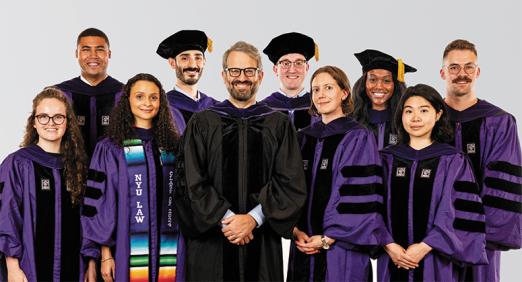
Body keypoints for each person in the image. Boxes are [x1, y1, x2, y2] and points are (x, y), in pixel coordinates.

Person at [175, 41, 307, 281]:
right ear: (224, 76)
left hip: (262, 241)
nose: (242, 78)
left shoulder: (277, 124)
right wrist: (227, 219)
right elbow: (190, 180)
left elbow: (290, 180)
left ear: (261, 75)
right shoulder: (203, 122)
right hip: (213, 243)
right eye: (235, 71)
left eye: (249, 71)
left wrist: (253, 219)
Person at [287, 66, 388, 281]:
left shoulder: (358, 137)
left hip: (342, 249)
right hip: (302, 244)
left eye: (328, 88)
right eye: (315, 90)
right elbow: (290, 188)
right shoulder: (303, 138)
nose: (321, 95)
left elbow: (361, 197)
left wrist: (328, 238)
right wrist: (295, 229)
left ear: (344, 93)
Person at [378, 84, 488, 281]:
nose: (415, 118)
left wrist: (425, 246)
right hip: (392, 259)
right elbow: (371, 209)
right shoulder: (385, 159)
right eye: (408, 111)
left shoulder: (453, 161)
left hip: (436, 262)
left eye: (424, 110)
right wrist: (389, 245)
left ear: (438, 115)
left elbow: (457, 211)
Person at [80, 73, 180, 282]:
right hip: (125, 249)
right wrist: (106, 255)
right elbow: (101, 203)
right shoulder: (111, 148)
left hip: (170, 248)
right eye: (140, 96)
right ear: (127, 101)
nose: (147, 103)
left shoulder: (171, 147)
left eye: (154, 97)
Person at [440, 39, 522, 282]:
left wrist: (477, 234)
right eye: (454, 67)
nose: (461, 74)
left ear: (478, 72)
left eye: (468, 67)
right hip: (433, 237)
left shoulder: (499, 122)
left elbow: (502, 184)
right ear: (443, 72)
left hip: (482, 240)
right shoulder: (427, 118)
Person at [0, 87, 90, 281]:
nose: (51, 123)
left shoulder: (79, 167)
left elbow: (89, 221)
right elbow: (7, 216)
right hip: (28, 267)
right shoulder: (17, 164)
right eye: (43, 117)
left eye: (58, 117)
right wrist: (12, 267)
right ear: (34, 122)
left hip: (74, 268)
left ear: (68, 123)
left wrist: (90, 264)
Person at [55, 28, 123, 156]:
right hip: (68, 170)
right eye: (86, 49)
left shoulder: (125, 94)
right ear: (77, 53)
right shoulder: (60, 93)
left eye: (100, 49)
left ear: (109, 53)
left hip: (114, 172)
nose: (93, 56)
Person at [352, 49, 416, 149]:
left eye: (386, 81)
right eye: (372, 80)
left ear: (395, 85)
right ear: (364, 83)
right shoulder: (351, 121)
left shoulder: (406, 122)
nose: (379, 86)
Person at [157, 29, 218, 133]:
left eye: (198, 58)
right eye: (185, 58)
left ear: (204, 62)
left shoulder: (216, 107)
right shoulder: (162, 106)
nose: (192, 65)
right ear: (173, 63)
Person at [261, 32, 319, 131]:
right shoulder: (262, 109)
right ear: (275, 69)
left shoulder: (319, 105)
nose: (292, 70)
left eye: (299, 63)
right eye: (285, 63)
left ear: (307, 68)